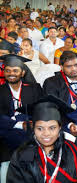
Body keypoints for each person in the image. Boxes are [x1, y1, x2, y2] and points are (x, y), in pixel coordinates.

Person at [7, 95, 77, 182]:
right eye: (40, 128)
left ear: (60, 127)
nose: (46, 134)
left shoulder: (71, 149)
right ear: (33, 128)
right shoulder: (22, 155)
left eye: (52, 128)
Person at [0, 54, 43, 182]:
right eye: (7, 70)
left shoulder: (34, 89)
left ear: (22, 73)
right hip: (5, 136)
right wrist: (20, 124)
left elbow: (40, 109)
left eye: (15, 70)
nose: (11, 73)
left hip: (31, 133)